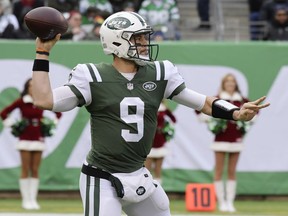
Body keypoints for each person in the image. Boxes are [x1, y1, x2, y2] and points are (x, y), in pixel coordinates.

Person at [30, 11, 269, 216]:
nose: (145, 43)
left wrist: (236, 113)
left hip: (139, 173)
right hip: (102, 176)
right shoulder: (91, 76)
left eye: (145, 37)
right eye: (138, 38)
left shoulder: (160, 72)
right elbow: (43, 99)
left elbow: (202, 102)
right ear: (116, 42)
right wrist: (42, 52)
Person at [0, 78, 62, 210]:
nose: (33, 88)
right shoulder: (22, 101)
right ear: (27, 87)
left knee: (35, 170)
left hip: (38, 138)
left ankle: (33, 200)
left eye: (35, 86)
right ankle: (25, 200)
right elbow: (4, 113)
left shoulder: (41, 101)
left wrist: (51, 126)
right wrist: (13, 126)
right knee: (25, 169)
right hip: (25, 139)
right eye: (30, 85)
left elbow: (59, 113)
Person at [196, 74, 254, 212]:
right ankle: (221, 202)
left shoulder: (243, 101)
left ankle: (230, 202)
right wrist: (213, 122)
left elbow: (253, 113)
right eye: (227, 82)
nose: (230, 84)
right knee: (219, 170)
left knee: (232, 171)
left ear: (236, 84)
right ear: (223, 84)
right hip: (220, 140)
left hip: (236, 140)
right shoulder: (218, 99)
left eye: (232, 81)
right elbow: (200, 110)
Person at [145, 101, 176, 184]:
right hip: (149, 141)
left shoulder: (164, 108)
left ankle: (158, 189)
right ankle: (146, 189)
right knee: (146, 170)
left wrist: (167, 129)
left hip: (160, 141)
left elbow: (174, 119)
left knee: (158, 170)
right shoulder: (148, 106)